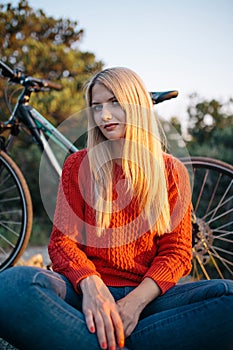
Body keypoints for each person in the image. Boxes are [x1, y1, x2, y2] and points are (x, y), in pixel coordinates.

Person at [0, 67, 232, 350]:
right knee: (10, 287)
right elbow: (62, 244)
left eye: (114, 103)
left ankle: (100, 339)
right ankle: (123, 338)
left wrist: (133, 305)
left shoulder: (172, 171)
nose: (104, 116)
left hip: (151, 300)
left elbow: (177, 252)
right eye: (97, 107)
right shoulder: (77, 166)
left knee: (228, 296)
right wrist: (91, 287)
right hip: (83, 295)